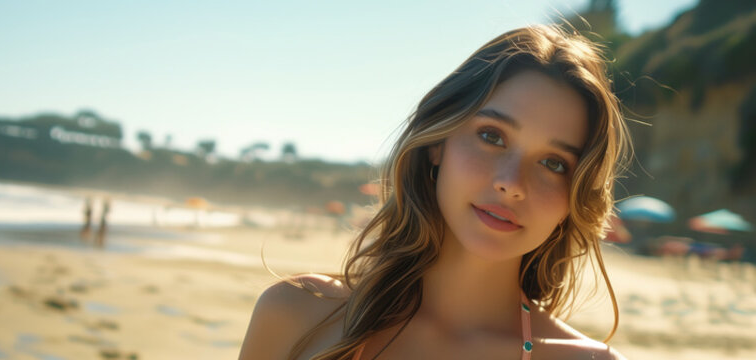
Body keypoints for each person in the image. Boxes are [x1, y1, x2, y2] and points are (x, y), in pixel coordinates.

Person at [239, 24, 632, 360]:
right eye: (491, 136)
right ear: (437, 143)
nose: (511, 183)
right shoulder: (296, 314)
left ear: (574, 198)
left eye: (554, 163)